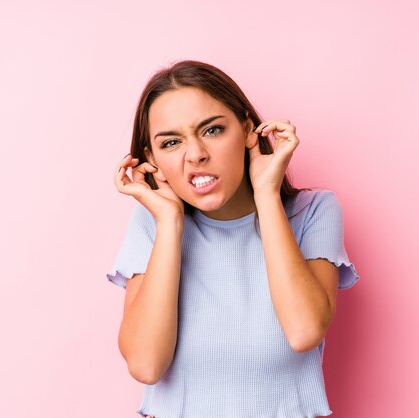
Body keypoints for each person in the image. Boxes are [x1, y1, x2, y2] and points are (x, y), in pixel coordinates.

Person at [106, 59, 360, 418]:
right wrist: (170, 222)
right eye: (171, 142)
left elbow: (304, 331)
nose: (195, 154)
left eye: (211, 130)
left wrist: (267, 194)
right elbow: (146, 365)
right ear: (152, 158)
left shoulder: (313, 211)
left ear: (247, 129)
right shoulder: (152, 224)